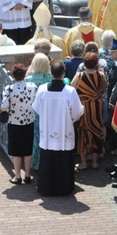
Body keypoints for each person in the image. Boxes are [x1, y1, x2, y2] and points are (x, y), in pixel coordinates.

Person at [33, 61, 84, 196]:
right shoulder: (70, 91)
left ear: (51, 73)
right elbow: (78, 111)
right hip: (64, 132)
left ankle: (46, 188)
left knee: (47, 162)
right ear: (63, 73)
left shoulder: (42, 89)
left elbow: (36, 108)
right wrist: (70, 119)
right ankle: (64, 188)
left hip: (47, 133)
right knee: (63, 161)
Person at [1, 63, 37, 184]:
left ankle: (17, 176)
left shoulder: (9, 89)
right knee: (27, 149)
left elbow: (4, 107)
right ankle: (27, 175)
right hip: (29, 121)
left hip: (14, 122)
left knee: (16, 150)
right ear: (25, 73)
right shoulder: (32, 86)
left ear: (13, 75)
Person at [71, 52, 107, 170]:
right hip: (97, 108)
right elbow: (104, 88)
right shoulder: (101, 75)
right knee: (97, 132)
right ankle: (95, 162)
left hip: (84, 109)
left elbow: (71, 88)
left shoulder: (80, 75)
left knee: (83, 134)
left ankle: (84, 163)